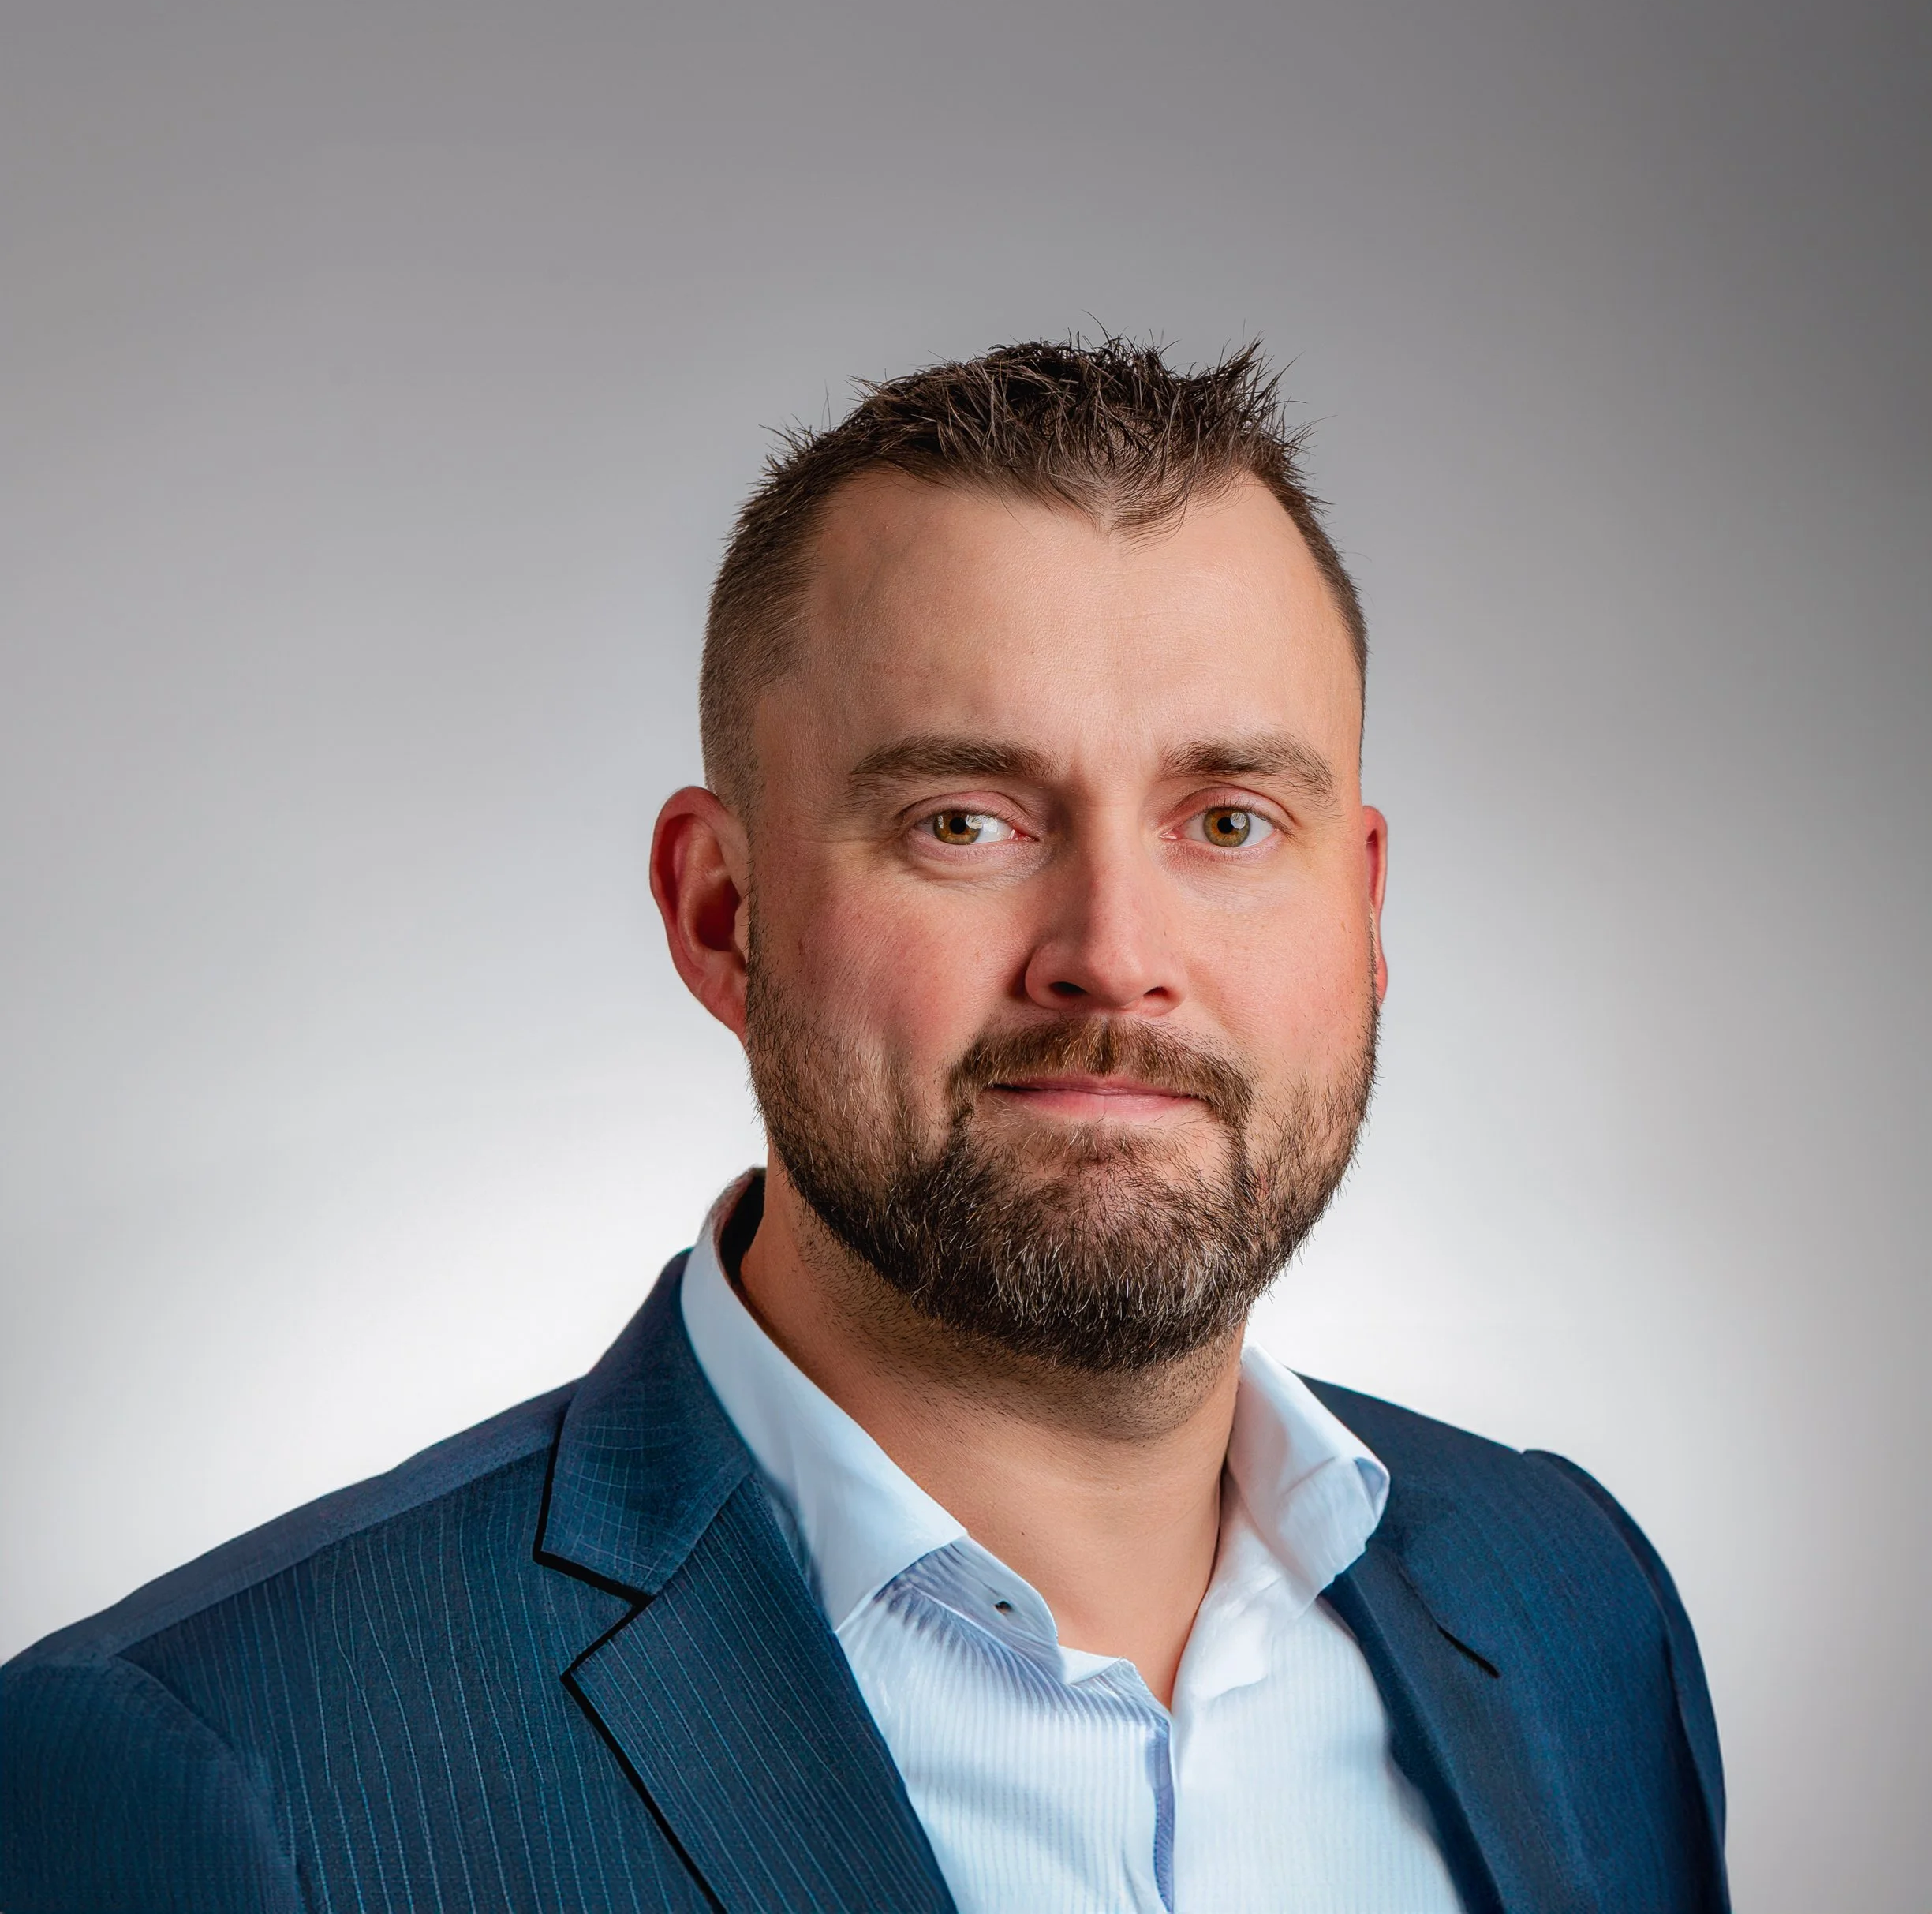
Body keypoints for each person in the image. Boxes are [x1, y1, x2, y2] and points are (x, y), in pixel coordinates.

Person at [0, 339, 1728, 1913]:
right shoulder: (217, 1765)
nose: (1114, 958)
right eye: (966, 820)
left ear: (1360, 914)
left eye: (1228, 819)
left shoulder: (1572, 1605)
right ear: (721, 915)